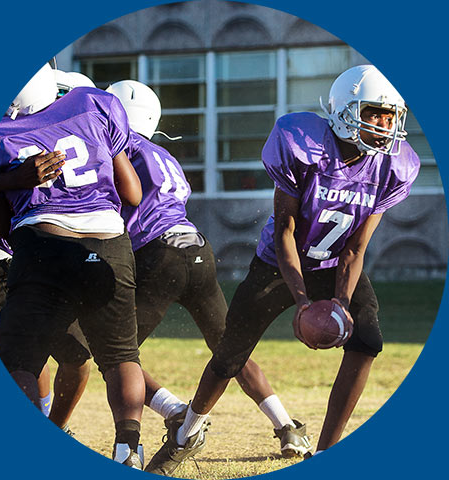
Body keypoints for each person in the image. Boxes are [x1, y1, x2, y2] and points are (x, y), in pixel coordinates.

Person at [144, 64, 420, 472]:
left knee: (368, 341)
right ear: (345, 111)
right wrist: (304, 302)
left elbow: (356, 248)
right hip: (279, 262)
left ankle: (327, 450)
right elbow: (286, 231)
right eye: (374, 113)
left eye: (390, 115)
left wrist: (341, 303)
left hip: (333, 263)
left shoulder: (394, 167)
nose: (384, 124)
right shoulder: (302, 144)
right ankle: (187, 434)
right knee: (228, 357)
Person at [105, 80, 312, 475]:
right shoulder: (162, 154)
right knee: (229, 346)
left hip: (159, 255)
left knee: (113, 351)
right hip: (197, 248)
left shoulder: (120, 149)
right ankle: (287, 426)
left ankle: (175, 412)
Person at [0, 63, 145, 468]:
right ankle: (129, 449)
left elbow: (1, 225)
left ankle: (16, 450)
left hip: (43, 245)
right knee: (122, 356)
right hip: (109, 242)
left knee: (18, 360)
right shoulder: (96, 103)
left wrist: (12, 184)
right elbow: (131, 192)